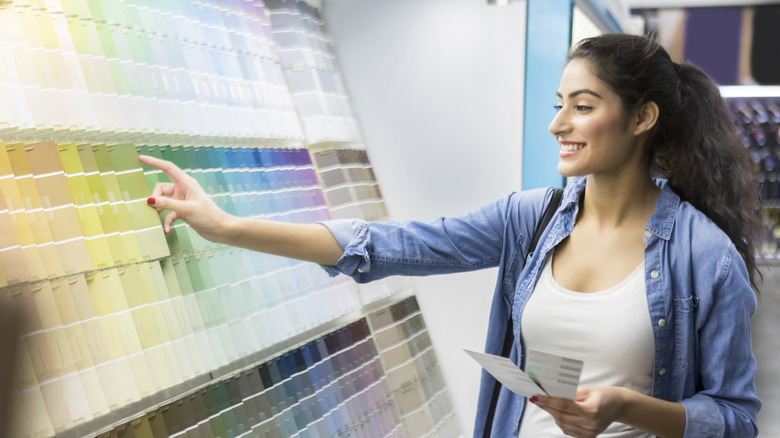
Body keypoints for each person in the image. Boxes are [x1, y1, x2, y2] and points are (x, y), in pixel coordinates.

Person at [139, 33, 762, 438]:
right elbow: (389, 246)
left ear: (643, 117)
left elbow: (735, 418)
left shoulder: (703, 257)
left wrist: (624, 409)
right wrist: (225, 226)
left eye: (582, 105)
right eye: (558, 102)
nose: (557, 124)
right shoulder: (532, 219)